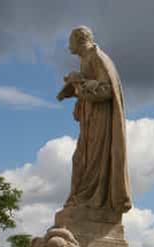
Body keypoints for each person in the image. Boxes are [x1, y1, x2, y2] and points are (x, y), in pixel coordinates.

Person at [56, 25, 132, 214]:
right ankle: (81, 198)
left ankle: (91, 200)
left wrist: (78, 82)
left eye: (70, 41)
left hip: (101, 120)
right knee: (81, 160)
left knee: (94, 161)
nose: (68, 46)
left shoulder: (97, 57)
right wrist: (76, 85)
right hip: (89, 120)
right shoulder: (86, 59)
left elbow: (106, 90)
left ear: (78, 39)